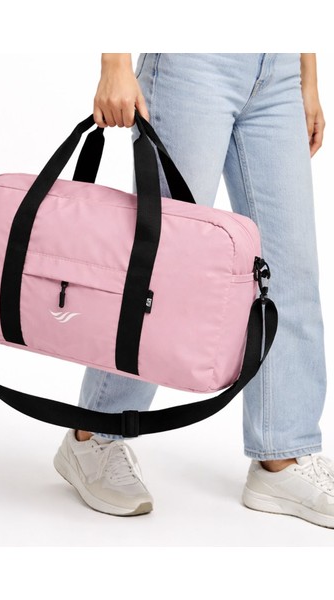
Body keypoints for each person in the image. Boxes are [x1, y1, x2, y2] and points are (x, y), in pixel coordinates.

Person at [53, 53, 333, 526]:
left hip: (279, 70)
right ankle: (95, 435)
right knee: (163, 268)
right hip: (193, 62)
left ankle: (282, 457)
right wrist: (115, 63)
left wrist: (308, 75)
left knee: (289, 272)